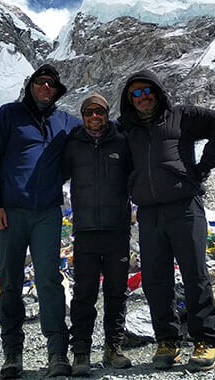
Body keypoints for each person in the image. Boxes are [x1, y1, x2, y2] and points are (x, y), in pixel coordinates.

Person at [117, 70, 215, 371]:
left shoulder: (180, 116)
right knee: (156, 280)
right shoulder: (126, 128)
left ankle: (206, 340)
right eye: (136, 94)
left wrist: (201, 167)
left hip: (184, 206)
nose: (143, 98)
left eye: (147, 92)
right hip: (148, 213)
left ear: (157, 92)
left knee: (194, 273)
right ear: (129, 99)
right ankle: (167, 342)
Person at [0, 64, 81, 379]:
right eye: (40, 82)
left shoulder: (65, 122)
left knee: (49, 279)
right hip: (9, 212)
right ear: (31, 86)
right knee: (9, 282)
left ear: (57, 90)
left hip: (48, 213)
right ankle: (12, 354)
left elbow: (96, 133)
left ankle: (57, 353)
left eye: (51, 83)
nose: (46, 87)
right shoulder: (9, 115)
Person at [61, 93, 133, 376]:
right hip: (86, 231)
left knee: (117, 292)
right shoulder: (73, 145)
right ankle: (81, 353)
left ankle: (113, 348)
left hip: (117, 231)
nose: (95, 117)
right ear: (83, 115)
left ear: (106, 114)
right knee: (84, 294)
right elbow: (56, 175)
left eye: (100, 112)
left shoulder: (122, 143)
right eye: (89, 112)